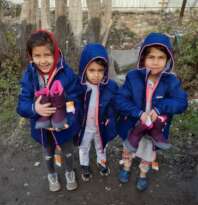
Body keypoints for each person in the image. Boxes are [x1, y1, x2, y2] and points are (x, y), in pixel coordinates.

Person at [116, 32, 188, 191]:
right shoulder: (133, 77)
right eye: (151, 57)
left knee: (148, 152)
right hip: (133, 125)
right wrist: (138, 113)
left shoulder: (171, 81)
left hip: (154, 129)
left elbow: (181, 103)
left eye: (161, 57)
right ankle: (126, 167)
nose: (155, 62)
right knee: (128, 148)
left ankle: (143, 174)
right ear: (143, 58)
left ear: (168, 59)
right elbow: (120, 100)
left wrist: (160, 108)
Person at [17, 30, 82, 192]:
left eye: (47, 55)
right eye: (37, 56)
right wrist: (34, 108)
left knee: (68, 152)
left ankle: (69, 171)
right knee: (48, 153)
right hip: (42, 129)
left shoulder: (67, 74)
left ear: (56, 54)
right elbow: (22, 104)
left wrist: (69, 119)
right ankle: (51, 174)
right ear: (31, 56)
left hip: (64, 126)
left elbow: (76, 100)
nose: (43, 60)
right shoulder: (29, 76)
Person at [77, 43, 118, 182]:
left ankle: (102, 162)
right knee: (84, 146)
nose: (96, 75)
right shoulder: (79, 87)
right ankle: (85, 165)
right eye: (92, 70)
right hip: (85, 126)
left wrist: (109, 117)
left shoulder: (110, 87)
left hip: (101, 125)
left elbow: (113, 105)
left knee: (101, 146)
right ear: (84, 69)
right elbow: (72, 104)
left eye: (100, 70)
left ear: (105, 70)